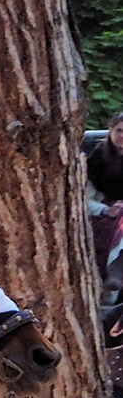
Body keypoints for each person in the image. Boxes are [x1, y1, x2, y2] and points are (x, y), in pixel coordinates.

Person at [87, 112, 123, 303]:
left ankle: (116, 273)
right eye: (119, 131)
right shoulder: (98, 158)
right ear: (110, 130)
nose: (122, 136)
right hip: (103, 209)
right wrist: (104, 209)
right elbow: (87, 195)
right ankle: (112, 276)